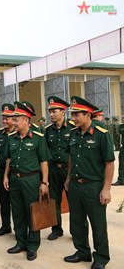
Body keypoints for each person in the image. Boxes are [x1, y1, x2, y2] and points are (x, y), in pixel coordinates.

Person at [63, 96, 115, 269]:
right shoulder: (73, 133)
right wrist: (69, 178)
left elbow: (109, 163)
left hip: (93, 186)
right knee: (76, 221)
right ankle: (82, 251)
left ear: (88, 115)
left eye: (77, 114)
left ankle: (100, 258)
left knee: (98, 224)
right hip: (76, 185)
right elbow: (71, 157)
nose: (74, 118)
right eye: (73, 114)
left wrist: (106, 189)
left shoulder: (101, 134)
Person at [3, 101, 49, 261]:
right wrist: (5, 176)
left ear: (26, 120)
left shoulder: (38, 138)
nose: (13, 122)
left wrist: (44, 182)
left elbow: (44, 161)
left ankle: (32, 245)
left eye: (16, 119)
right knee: (18, 212)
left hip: (31, 179)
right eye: (12, 119)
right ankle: (20, 242)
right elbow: (8, 159)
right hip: (15, 179)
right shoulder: (12, 138)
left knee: (32, 212)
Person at [44, 96, 74, 241]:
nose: (51, 114)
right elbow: (44, 152)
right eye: (50, 111)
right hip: (53, 169)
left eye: (54, 111)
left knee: (73, 202)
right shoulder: (47, 130)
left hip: (69, 169)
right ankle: (56, 229)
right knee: (54, 201)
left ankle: (76, 231)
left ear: (63, 111)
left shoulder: (73, 128)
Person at [0, 103, 15, 237]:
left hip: (14, 172)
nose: (4, 121)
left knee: (16, 202)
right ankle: (6, 226)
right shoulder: (0, 134)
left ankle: (19, 228)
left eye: (7, 118)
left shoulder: (17, 133)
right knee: (3, 201)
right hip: (0, 171)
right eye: (3, 118)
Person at [113, 118, 124, 186]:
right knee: (122, 163)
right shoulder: (121, 126)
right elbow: (119, 133)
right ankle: (121, 179)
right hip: (123, 147)